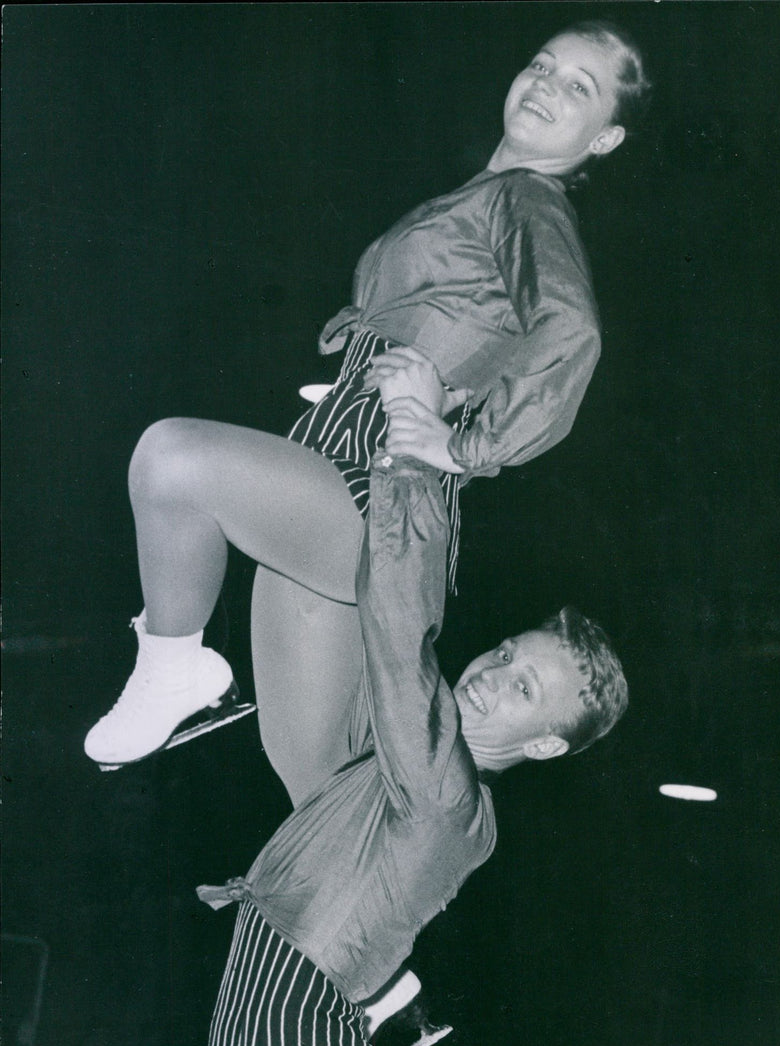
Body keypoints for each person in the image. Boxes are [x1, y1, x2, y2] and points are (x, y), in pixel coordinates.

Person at [83, 20, 650, 808]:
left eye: (579, 87)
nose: (547, 85)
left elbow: (573, 332)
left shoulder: (526, 199)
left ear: (607, 138)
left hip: (376, 484)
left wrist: (467, 446)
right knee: (317, 794)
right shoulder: (487, 196)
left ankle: (173, 663)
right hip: (340, 462)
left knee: (171, 460)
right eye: (542, 65)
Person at [197, 451, 629, 1046]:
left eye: (526, 689)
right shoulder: (410, 769)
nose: (495, 675)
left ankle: (388, 997)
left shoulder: (445, 790)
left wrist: (410, 473)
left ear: (543, 744)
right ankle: (389, 997)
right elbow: (346, 634)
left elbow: (400, 639)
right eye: (508, 656)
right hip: (288, 1020)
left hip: (291, 1028)